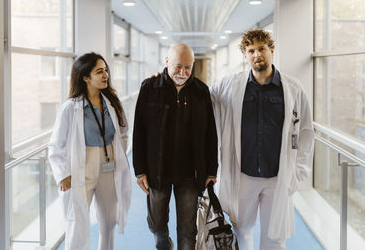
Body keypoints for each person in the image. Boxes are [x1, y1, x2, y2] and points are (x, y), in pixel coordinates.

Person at [211, 30, 315, 250]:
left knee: (275, 236)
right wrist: (169, 78)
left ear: (271, 51)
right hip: (243, 173)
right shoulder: (231, 85)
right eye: (251, 51)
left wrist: (298, 171)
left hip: (277, 175)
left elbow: (306, 130)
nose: (257, 54)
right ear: (245, 56)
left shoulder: (293, 88)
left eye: (261, 49)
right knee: (240, 229)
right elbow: (203, 98)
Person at [133, 43, 218, 250]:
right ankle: (163, 242)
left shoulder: (201, 91)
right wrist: (140, 170)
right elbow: (139, 132)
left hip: (190, 173)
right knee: (158, 226)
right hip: (157, 170)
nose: (183, 72)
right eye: (178, 66)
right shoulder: (149, 88)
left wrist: (211, 170)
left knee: (188, 230)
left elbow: (210, 135)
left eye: (188, 67)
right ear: (167, 61)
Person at [48, 52, 132, 250]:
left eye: (106, 71)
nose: (105, 75)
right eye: (99, 72)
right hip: (83, 167)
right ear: (86, 77)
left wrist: (119, 154)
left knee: (109, 220)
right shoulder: (71, 108)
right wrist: (62, 175)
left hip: (109, 165)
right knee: (77, 222)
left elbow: (123, 131)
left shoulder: (111, 102)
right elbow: (55, 144)